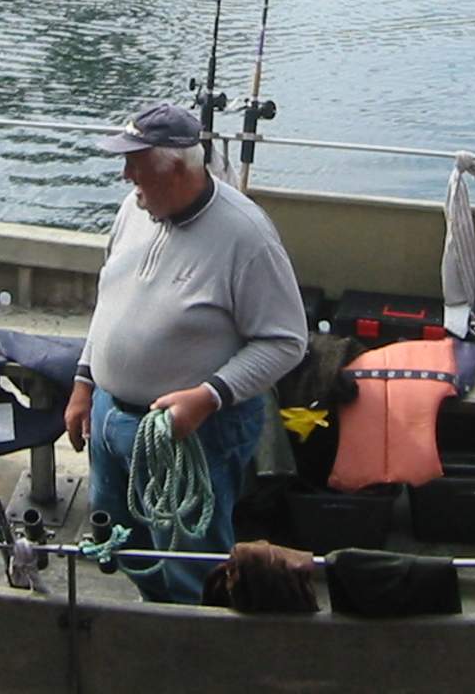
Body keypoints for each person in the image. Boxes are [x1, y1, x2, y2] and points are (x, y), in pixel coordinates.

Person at [63, 103, 308, 604]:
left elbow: (286, 341)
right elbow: (110, 299)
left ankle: (193, 644)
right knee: (121, 541)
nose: (125, 174)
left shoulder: (247, 236)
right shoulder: (135, 206)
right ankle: (159, 611)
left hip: (195, 433)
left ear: (176, 169)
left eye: (136, 163)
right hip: (111, 418)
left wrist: (208, 396)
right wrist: (84, 383)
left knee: (191, 560)